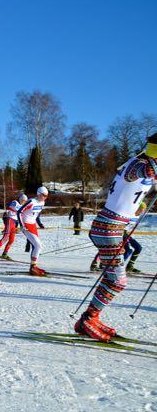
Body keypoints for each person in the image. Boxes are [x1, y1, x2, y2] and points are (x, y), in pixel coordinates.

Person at [76, 136, 157, 342]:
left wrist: (136, 208)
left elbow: (133, 189)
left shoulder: (146, 164)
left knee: (114, 279)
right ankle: (87, 320)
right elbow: (135, 174)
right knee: (118, 281)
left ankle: (91, 318)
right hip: (107, 229)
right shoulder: (139, 164)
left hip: (114, 228)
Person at [17, 187, 49, 276]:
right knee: (38, 245)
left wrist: (39, 224)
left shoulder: (42, 202)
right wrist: (22, 225)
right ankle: (32, 267)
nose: (45, 197)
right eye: (44, 195)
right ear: (38, 194)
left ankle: (33, 266)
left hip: (33, 225)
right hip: (26, 225)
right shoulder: (31, 202)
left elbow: (36, 215)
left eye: (46, 196)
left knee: (37, 246)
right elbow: (19, 212)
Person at [0, 194, 27, 260]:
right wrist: (18, 211)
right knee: (6, 237)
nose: (24, 202)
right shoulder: (15, 202)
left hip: (14, 223)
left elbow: (21, 218)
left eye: (25, 201)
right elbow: (9, 207)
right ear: (20, 199)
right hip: (9, 219)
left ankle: (5, 253)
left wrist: (20, 227)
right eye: (23, 201)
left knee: (12, 239)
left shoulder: (23, 207)